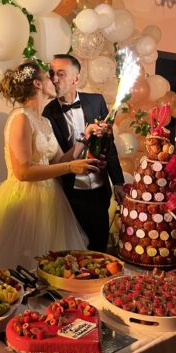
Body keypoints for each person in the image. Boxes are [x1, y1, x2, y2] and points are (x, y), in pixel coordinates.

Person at [0, 61, 101, 271]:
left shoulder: (44, 121)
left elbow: (58, 162)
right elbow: (23, 171)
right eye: (49, 77)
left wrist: (85, 136)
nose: (54, 80)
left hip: (50, 201)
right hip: (23, 200)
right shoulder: (20, 118)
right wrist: (70, 168)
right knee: (17, 265)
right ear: (37, 84)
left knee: (48, 267)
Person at [43, 54, 125, 252]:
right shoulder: (47, 113)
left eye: (61, 74)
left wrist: (118, 181)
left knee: (99, 250)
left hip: (99, 191)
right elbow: (55, 159)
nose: (54, 79)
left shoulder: (96, 101)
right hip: (69, 195)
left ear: (76, 78)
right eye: (52, 74)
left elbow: (109, 144)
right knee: (72, 253)